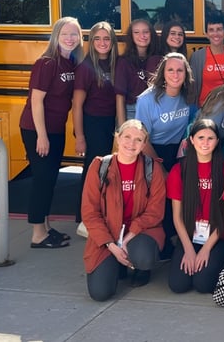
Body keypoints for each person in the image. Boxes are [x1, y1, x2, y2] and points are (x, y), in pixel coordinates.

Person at [81, 120, 166, 301]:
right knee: (100, 293)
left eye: (138, 140)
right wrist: (111, 245)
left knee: (143, 256)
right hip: (108, 234)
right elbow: (90, 213)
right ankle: (116, 263)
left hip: (140, 232)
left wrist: (130, 235)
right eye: (127, 137)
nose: (131, 143)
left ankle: (141, 268)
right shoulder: (99, 166)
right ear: (117, 138)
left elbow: (155, 210)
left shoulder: (152, 168)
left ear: (144, 144)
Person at [20, 16, 84, 248]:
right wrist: (42, 136)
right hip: (38, 129)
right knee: (43, 181)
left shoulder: (72, 63)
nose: (70, 38)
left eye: (74, 34)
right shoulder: (47, 63)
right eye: (65, 33)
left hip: (55, 129)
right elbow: (36, 101)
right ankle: (37, 234)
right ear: (56, 36)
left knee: (50, 180)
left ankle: (45, 228)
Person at [167, 119, 224, 294]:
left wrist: (205, 250)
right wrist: (188, 249)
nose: (205, 142)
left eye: (211, 138)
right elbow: (177, 216)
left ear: (217, 141)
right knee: (178, 285)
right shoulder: (179, 170)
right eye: (200, 137)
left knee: (203, 284)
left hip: (217, 236)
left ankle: (222, 259)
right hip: (189, 235)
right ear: (191, 140)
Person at [73, 21, 118, 224]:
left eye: (106, 38)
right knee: (94, 170)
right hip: (93, 123)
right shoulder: (86, 67)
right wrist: (80, 136)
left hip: (110, 122)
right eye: (97, 38)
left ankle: (99, 212)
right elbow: (77, 104)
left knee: (106, 169)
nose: (102, 42)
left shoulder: (114, 64)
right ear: (91, 42)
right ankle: (84, 216)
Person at [135, 53, 196, 172]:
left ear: (186, 74)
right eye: (170, 70)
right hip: (153, 152)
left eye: (180, 70)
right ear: (163, 73)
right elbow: (142, 140)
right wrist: (160, 170)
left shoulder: (187, 95)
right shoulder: (146, 100)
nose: (175, 75)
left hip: (179, 151)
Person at [115, 19, 162, 126]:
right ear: (131, 36)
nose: (142, 35)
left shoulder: (159, 59)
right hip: (132, 112)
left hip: (155, 112)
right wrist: (122, 126)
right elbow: (120, 97)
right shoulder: (124, 61)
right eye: (136, 32)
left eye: (146, 32)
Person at [189, 16, 224, 106]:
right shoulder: (198, 56)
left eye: (219, 29)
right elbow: (193, 87)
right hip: (206, 107)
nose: (215, 33)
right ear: (206, 34)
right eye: (211, 30)